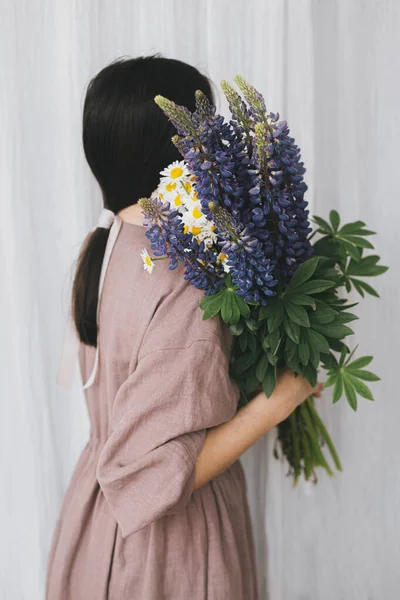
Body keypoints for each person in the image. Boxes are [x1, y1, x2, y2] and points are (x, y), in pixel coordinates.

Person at [46, 54, 323, 600]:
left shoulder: (99, 246)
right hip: (168, 546)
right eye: (204, 134)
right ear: (178, 150)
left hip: (94, 522)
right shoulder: (186, 274)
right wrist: (280, 400)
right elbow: (150, 476)